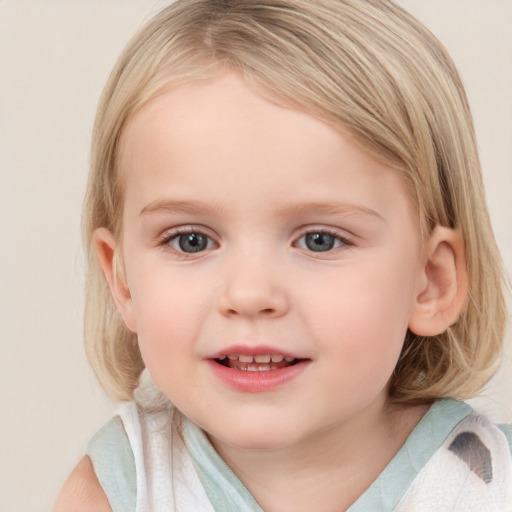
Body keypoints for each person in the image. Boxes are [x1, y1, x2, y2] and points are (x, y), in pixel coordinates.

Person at [55, 0, 512, 510]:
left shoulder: (485, 487)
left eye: (320, 239)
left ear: (431, 281)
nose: (249, 294)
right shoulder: (119, 490)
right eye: (191, 240)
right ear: (123, 282)